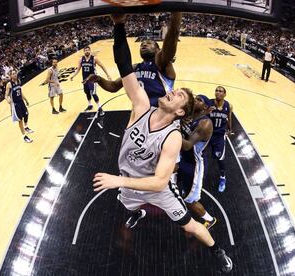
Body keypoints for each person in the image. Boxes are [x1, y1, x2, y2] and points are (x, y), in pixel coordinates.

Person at [92, 14, 233, 273]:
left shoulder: (174, 136)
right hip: (131, 179)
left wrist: (117, 180)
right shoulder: (141, 105)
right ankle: (137, 212)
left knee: (189, 224)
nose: (170, 91)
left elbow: (157, 182)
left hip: (156, 187)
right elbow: (123, 66)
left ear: (181, 111)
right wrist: (119, 25)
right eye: (173, 90)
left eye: (176, 94)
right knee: (128, 203)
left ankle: (217, 250)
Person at [84, 12, 182, 107]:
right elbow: (113, 86)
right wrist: (98, 79)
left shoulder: (161, 63)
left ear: (158, 50)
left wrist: (176, 10)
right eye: (142, 44)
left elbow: (173, 33)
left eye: (149, 43)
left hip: (162, 113)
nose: (144, 44)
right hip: (141, 115)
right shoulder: (135, 68)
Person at [178, 94, 217, 229]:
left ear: (205, 106)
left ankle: (209, 219)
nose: (195, 100)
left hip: (193, 166)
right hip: (183, 159)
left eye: (199, 100)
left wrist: (171, 132)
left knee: (190, 201)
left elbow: (188, 145)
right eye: (195, 98)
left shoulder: (205, 124)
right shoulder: (190, 116)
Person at [70, 46, 111, 113]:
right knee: (87, 92)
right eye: (85, 50)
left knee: (93, 93)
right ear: (84, 52)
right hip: (85, 79)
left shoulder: (94, 58)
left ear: (90, 51)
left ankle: (99, 107)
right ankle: (90, 104)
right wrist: (73, 76)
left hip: (93, 79)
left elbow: (102, 66)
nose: (87, 51)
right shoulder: (81, 59)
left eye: (88, 50)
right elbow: (78, 69)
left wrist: (107, 75)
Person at [208, 86, 232, 192]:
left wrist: (230, 129)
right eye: (216, 90)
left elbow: (229, 118)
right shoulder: (208, 103)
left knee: (220, 158)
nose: (217, 92)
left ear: (224, 94)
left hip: (219, 136)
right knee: (198, 155)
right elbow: (200, 115)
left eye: (220, 91)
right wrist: (207, 112)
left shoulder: (228, 106)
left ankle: (223, 177)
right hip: (207, 134)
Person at [5, 70, 33, 143]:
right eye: (13, 74)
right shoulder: (9, 84)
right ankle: (24, 136)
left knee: (26, 114)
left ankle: (26, 127)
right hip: (15, 104)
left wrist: (26, 100)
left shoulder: (18, 81)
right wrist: (8, 99)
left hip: (21, 101)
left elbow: (20, 92)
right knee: (20, 119)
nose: (15, 75)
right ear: (11, 76)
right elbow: (6, 95)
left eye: (15, 73)